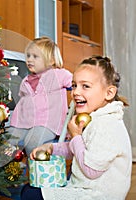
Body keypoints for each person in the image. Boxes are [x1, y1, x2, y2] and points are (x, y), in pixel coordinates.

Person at [27, 56, 132, 200]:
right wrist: (51, 148)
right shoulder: (94, 117)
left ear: (109, 93)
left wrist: (76, 135)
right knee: (32, 189)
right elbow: (78, 149)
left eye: (85, 86)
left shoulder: (107, 125)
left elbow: (91, 170)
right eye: (74, 85)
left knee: (31, 194)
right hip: (85, 186)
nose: (75, 92)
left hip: (97, 195)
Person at [8, 36, 72, 156]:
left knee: (32, 141)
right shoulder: (26, 80)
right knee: (8, 138)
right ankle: (14, 170)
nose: (29, 60)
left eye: (35, 56)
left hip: (48, 123)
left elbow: (75, 82)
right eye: (28, 56)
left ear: (51, 60)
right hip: (24, 122)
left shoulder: (59, 75)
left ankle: (36, 170)